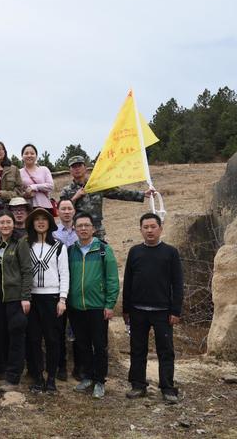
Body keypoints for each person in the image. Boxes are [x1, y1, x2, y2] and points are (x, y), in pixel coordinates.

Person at [123, 213, 184, 404]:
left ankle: (167, 388)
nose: (149, 230)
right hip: (137, 310)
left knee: (165, 350)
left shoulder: (170, 252)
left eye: (153, 227)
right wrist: (126, 309)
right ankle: (138, 385)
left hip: (162, 312)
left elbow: (178, 283)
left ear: (160, 229)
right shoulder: (134, 252)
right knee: (137, 349)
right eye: (145, 227)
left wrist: (175, 311)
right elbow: (128, 281)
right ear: (141, 230)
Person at [67, 212, 120, 399]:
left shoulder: (104, 250)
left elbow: (112, 279)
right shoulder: (70, 251)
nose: (83, 228)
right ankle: (87, 376)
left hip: (97, 306)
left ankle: (100, 381)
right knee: (82, 344)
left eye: (86, 225)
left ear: (93, 228)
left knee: (99, 345)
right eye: (79, 226)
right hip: (76, 307)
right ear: (74, 229)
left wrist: (110, 304)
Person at [20, 207, 68, 394]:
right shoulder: (26, 245)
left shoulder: (59, 246)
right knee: (33, 338)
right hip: (31, 298)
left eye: (44, 219)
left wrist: (62, 299)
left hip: (52, 297)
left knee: (52, 339)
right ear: (32, 224)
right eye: (36, 219)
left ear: (50, 223)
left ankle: (52, 379)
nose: (40, 222)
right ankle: (38, 377)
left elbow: (64, 274)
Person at [0, 211, 32, 391]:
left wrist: (25, 296)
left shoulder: (20, 243)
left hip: (15, 297)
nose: (5, 225)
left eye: (8, 222)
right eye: (2, 222)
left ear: (13, 225)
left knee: (16, 336)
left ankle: (13, 377)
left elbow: (27, 271)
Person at [59, 155, 153, 240]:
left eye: (79, 166)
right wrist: (76, 197)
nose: (77, 169)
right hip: (78, 230)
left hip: (97, 229)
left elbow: (119, 193)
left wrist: (142, 194)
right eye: (74, 167)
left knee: (101, 253)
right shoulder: (66, 191)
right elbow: (61, 210)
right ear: (70, 170)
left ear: (85, 168)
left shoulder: (96, 185)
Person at [51, 198, 80, 381]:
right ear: (58, 211)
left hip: (77, 285)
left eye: (70, 208)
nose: (67, 212)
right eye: (63, 209)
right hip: (58, 286)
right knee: (58, 328)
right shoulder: (53, 232)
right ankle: (60, 365)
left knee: (77, 328)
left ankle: (79, 366)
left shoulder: (81, 230)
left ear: (74, 211)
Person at [19, 144, 55, 213]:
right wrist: (25, 195)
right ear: (22, 156)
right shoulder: (19, 172)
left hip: (45, 207)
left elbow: (50, 186)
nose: (29, 155)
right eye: (26, 153)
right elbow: (17, 191)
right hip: (27, 208)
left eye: (32, 153)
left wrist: (33, 187)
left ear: (36, 156)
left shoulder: (44, 169)